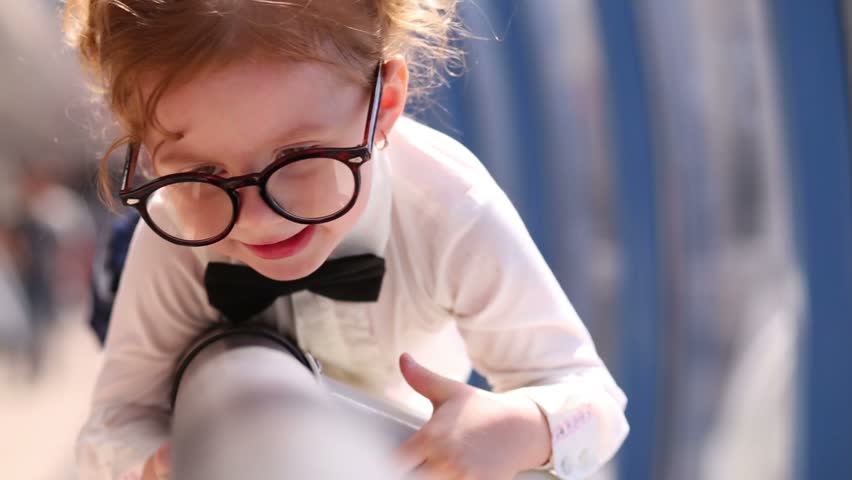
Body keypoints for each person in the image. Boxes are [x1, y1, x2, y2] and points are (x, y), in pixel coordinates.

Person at [63, 1, 629, 479]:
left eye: (299, 159)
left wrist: (525, 425)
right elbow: (114, 421)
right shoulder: (177, 234)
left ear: (383, 106)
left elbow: (596, 400)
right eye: (203, 177)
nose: (259, 220)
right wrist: (155, 463)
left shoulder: (451, 211)